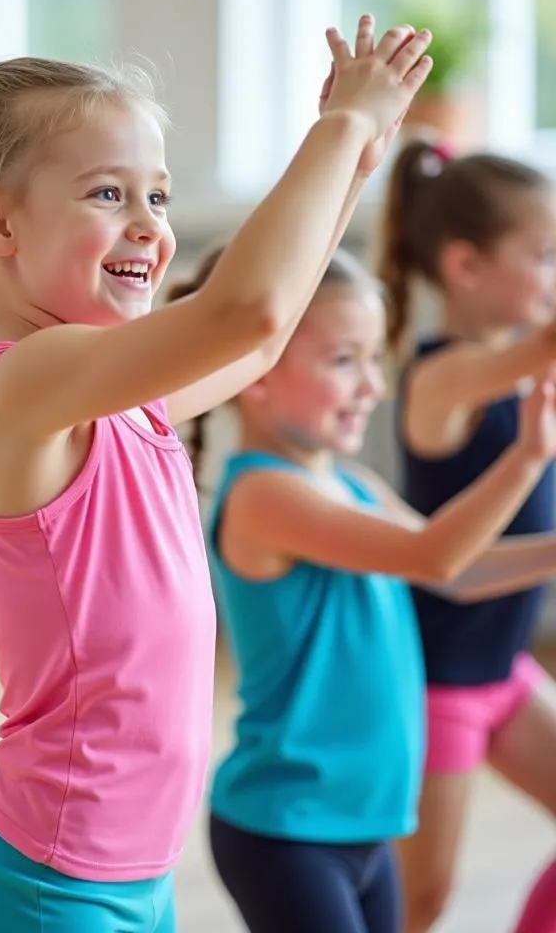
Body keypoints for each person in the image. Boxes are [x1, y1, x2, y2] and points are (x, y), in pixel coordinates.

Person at [0, 16, 433, 932]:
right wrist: (334, 132)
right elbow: (249, 316)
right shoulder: (26, 384)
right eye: (110, 194)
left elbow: (262, 344)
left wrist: (352, 169)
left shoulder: (120, 404)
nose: (149, 226)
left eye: (160, 196)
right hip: (45, 883)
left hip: (136, 874)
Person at [169, 243, 556, 933]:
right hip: (288, 832)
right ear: (256, 372)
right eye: (345, 361)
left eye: (374, 359)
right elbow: (435, 556)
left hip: (364, 824)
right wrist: (526, 460)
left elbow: (463, 572)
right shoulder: (263, 495)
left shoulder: (349, 486)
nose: (373, 387)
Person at [380, 139, 556, 933]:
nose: (553, 275)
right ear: (465, 267)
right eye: (545, 255)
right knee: (420, 901)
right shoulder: (442, 376)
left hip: (503, 673)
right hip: (438, 685)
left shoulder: (517, 368)